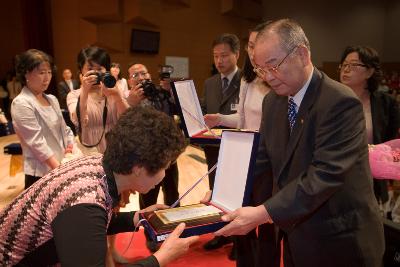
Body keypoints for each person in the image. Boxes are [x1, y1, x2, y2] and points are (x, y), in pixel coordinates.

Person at [214, 19, 385, 267]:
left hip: (341, 240)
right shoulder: (273, 102)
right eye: (260, 69)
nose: (267, 77)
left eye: (273, 66)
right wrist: (224, 189)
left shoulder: (339, 102)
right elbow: (261, 160)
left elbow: (325, 174)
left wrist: (263, 213)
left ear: (302, 54)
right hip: (297, 236)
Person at [0, 106, 199, 266]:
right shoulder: (85, 204)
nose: (164, 176)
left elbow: (96, 222)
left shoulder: (97, 164)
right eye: (164, 167)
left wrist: (138, 217)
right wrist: (161, 258)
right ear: (139, 168)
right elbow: (87, 218)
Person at [203, 24, 279, 267]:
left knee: (266, 224)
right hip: (245, 159)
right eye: (251, 45)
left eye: (259, 44)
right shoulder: (248, 80)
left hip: (269, 161)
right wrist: (221, 119)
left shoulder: (278, 81)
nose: (254, 49)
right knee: (239, 220)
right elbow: (243, 122)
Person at [339, 45, 400, 216]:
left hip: (370, 180)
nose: (346, 69)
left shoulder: (386, 104)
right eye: (344, 64)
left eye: (354, 65)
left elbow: (388, 142)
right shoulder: (330, 101)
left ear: (369, 72)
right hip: (337, 178)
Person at [126, 63, 180, 253]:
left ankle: (175, 231)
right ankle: (150, 233)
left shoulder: (161, 93)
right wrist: (130, 103)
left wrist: (170, 90)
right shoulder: (128, 99)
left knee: (173, 194)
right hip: (146, 160)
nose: (141, 77)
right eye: (135, 75)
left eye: (144, 73)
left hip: (169, 156)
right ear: (129, 80)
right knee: (148, 199)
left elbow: (179, 110)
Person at [11, 49, 76, 189]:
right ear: (26, 73)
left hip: (62, 166)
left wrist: (69, 149)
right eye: (41, 72)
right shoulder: (21, 103)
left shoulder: (52, 99)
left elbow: (65, 129)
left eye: (49, 72)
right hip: (41, 173)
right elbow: (36, 142)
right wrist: (59, 170)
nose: (47, 78)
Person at [67, 46, 129, 154]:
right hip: (90, 151)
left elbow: (128, 119)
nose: (95, 73)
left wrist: (117, 96)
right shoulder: (74, 95)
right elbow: (79, 120)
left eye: (100, 69)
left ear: (106, 70)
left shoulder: (114, 90)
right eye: (90, 69)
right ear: (81, 70)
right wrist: (85, 92)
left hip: (116, 150)